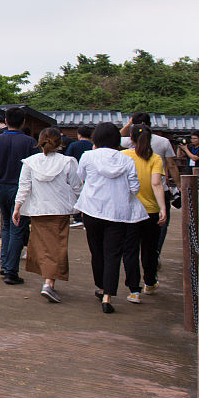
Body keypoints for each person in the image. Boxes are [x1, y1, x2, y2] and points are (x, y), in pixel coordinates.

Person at [75, 122, 146, 313]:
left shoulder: (88, 156)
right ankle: (108, 296)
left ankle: (100, 286)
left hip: (92, 209)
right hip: (118, 213)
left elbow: (81, 177)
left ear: (96, 139)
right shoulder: (126, 160)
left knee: (96, 251)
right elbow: (134, 188)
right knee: (113, 254)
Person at [13, 127, 82, 303]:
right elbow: (76, 187)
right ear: (60, 142)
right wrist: (80, 204)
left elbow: (24, 187)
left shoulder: (30, 162)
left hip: (37, 210)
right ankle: (49, 283)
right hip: (60, 209)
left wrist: (17, 207)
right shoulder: (68, 162)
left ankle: (47, 280)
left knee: (42, 246)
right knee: (57, 246)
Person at [0, 106, 39, 285]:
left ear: (6, 121)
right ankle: (11, 271)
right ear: (23, 122)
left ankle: (5, 263)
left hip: (2, 188)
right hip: (20, 189)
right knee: (17, 228)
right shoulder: (30, 142)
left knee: (7, 225)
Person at [121, 124, 167, 303]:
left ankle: (134, 290)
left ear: (131, 138)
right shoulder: (155, 158)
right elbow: (157, 184)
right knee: (150, 248)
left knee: (130, 250)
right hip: (151, 210)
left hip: (130, 211)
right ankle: (149, 282)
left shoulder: (124, 156)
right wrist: (163, 207)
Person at [64, 126, 94, 227]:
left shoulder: (73, 145)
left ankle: (77, 217)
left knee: (76, 195)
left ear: (79, 135)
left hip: (75, 174)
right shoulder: (93, 145)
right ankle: (87, 216)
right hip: (90, 175)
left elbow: (67, 158)